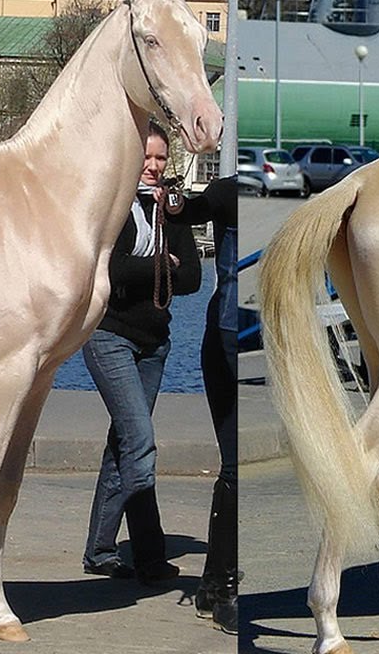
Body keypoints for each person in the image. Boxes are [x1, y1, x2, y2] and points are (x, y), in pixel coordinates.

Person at [81, 122, 201, 584]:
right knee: (140, 442)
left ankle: (100, 550)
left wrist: (159, 263)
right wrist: (159, 265)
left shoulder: (171, 210)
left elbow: (190, 277)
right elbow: (110, 268)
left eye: (160, 160)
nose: (153, 168)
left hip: (155, 344)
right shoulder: (111, 206)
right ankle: (150, 555)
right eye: (146, 158)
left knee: (124, 443)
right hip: (110, 335)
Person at [162, 166, 238, 632]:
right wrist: (172, 203)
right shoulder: (228, 192)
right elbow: (192, 208)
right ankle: (226, 586)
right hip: (228, 337)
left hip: (254, 336)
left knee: (235, 467)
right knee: (234, 466)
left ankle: (211, 585)